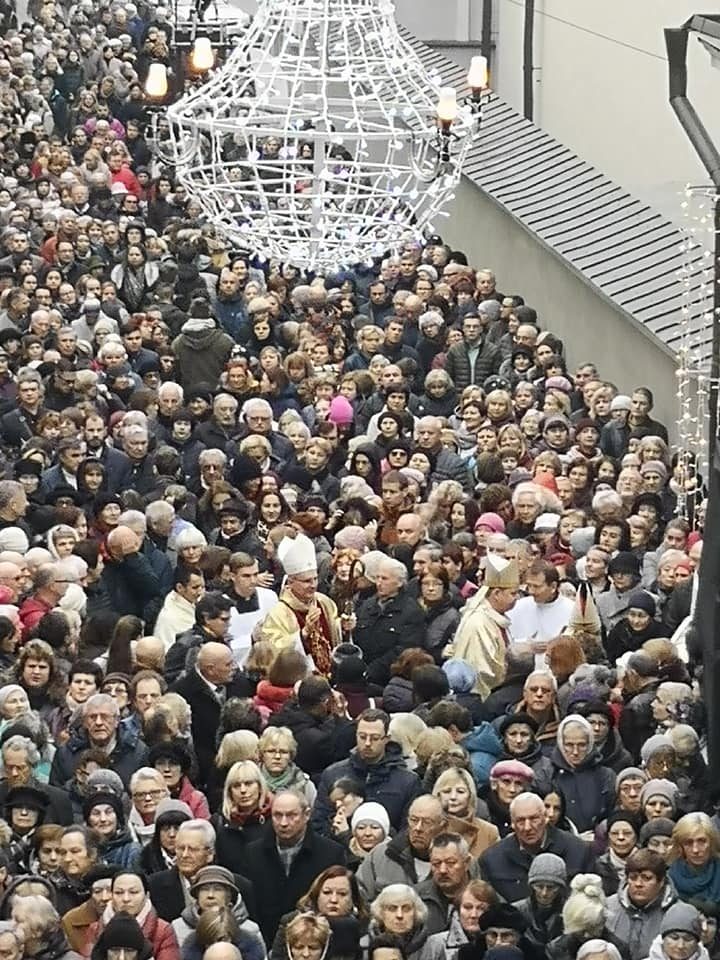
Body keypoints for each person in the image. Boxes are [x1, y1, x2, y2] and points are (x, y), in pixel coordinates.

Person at [241, 790, 347, 943]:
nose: (283, 823)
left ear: (307, 815)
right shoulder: (253, 853)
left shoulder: (331, 854)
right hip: (265, 939)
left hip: (313, 943)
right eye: (277, 815)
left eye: (291, 815)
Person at [312, 708, 421, 835]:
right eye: (362, 737)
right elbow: (318, 824)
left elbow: (408, 830)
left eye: (374, 738)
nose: (367, 743)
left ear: (386, 739)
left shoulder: (408, 781)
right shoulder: (333, 775)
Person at [479, 792, 596, 903]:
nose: (527, 827)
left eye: (534, 819)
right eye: (520, 821)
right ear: (512, 824)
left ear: (545, 818)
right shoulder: (492, 860)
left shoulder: (579, 852)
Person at [446, 556, 520, 699]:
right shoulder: (479, 623)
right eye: (513, 593)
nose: (517, 598)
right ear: (497, 594)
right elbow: (483, 671)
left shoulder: (494, 617)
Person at [81, 870, 180, 960]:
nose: (126, 899)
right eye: (119, 892)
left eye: (133, 892)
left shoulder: (163, 930)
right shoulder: (95, 929)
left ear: (147, 895)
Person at [605, 849, 677, 960]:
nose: (638, 884)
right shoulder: (606, 907)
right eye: (633, 878)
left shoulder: (675, 913)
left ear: (661, 881)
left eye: (647, 878)